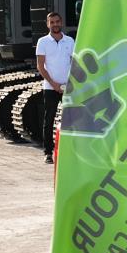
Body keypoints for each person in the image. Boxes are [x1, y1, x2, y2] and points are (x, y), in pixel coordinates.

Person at [33, 10, 74, 164]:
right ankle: (48, 153)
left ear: (61, 22)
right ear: (48, 24)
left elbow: (74, 62)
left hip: (68, 87)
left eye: (57, 21)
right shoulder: (43, 42)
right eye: (52, 22)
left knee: (71, 119)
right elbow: (40, 65)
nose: (55, 24)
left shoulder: (69, 41)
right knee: (49, 119)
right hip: (50, 88)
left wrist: (70, 83)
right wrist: (53, 83)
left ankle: (69, 151)